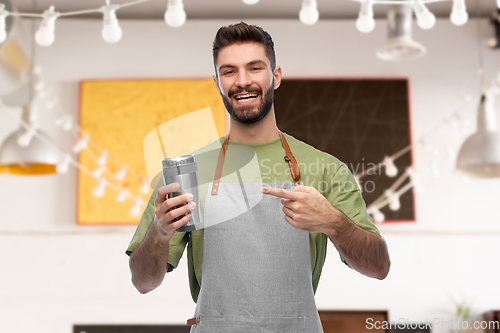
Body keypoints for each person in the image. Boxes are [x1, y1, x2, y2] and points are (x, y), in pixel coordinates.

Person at [127, 22, 390, 332]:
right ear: (218, 82)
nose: (242, 81)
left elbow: (378, 267)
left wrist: (333, 221)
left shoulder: (325, 168)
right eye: (229, 71)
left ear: (275, 76)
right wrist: (158, 232)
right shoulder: (187, 173)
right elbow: (143, 282)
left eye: (254, 68)